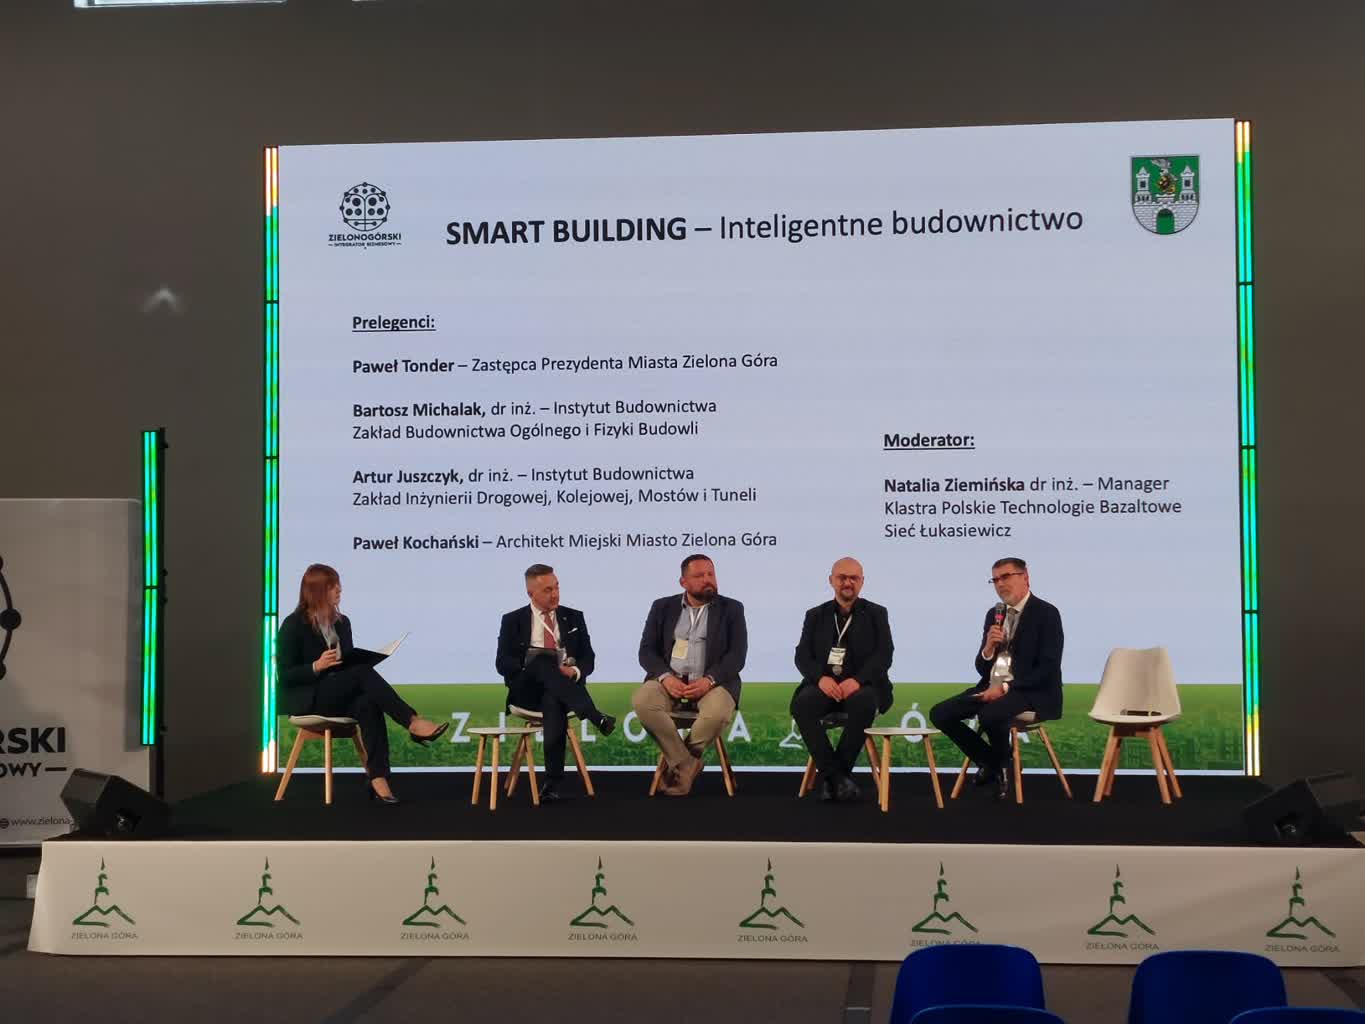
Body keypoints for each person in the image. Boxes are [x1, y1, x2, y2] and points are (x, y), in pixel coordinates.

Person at [276, 564, 447, 804]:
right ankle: (412, 721)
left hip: (339, 693)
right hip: (310, 698)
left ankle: (378, 777)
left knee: (368, 702)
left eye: (338, 585)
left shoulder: (342, 622)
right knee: (362, 673)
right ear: (317, 591)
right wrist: (316, 666)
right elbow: (285, 675)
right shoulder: (293, 624)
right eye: (333, 586)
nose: (339, 590)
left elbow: (347, 663)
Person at [929, 557, 1064, 800]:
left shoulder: (1046, 613)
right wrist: (988, 649)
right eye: (995, 579)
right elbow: (982, 668)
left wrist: (1004, 688)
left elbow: (1048, 668)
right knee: (940, 713)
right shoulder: (994, 614)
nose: (1000, 584)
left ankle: (998, 768)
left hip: (1030, 690)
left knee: (990, 714)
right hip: (991, 685)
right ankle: (995, 762)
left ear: (1025, 577)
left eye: (1006, 577)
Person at [495, 563, 616, 802]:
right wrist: (527, 664)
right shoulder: (512, 620)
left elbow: (588, 658)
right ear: (531, 593)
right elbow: (502, 663)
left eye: (557, 587)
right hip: (526, 691)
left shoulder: (573, 617)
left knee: (553, 700)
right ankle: (594, 715)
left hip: (562, 690)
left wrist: (574, 671)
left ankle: (552, 783)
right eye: (548, 590)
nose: (555, 594)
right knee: (541, 661)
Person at [633, 554, 747, 796]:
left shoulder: (732, 609)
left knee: (717, 713)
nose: (708, 580)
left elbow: (737, 656)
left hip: (714, 683)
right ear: (683, 582)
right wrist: (666, 677)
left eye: (711, 574)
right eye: (699, 575)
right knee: (643, 702)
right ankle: (686, 765)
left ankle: (679, 767)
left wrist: (709, 680)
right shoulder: (662, 607)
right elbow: (646, 652)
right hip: (669, 681)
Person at [791, 557, 894, 802]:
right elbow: (802, 655)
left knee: (864, 703)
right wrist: (820, 679)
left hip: (863, 686)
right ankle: (838, 778)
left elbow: (884, 654)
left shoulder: (877, 613)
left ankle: (833, 777)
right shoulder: (815, 615)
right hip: (825, 685)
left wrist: (857, 680)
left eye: (853, 578)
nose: (848, 583)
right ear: (831, 580)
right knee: (802, 705)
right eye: (842, 577)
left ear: (862, 582)